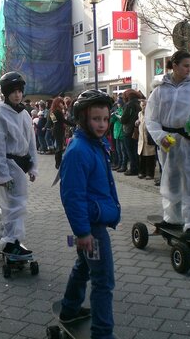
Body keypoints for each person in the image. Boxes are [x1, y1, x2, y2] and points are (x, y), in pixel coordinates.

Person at [58, 89, 120, 339]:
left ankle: (70, 310)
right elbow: (72, 196)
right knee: (103, 281)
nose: (102, 125)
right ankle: (102, 334)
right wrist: (82, 233)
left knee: (83, 268)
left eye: (105, 119)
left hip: (93, 223)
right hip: (92, 228)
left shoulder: (94, 144)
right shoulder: (79, 150)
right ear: (83, 118)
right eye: (96, 119)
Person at [145, 50, 190, 240]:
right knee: (170, 182)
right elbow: (151, 119)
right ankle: (172, 218)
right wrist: (160, 136)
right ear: (174, 65)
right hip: (169, 142)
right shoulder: (159, 91)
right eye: (185, 65)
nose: (189, 69)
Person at [0, 71, 38, 256]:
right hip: (9, 165)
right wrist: (1, 175)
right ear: (6, 93)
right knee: (15, 205)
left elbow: (31, 141)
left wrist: (33, 166)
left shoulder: (24, 113)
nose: (17, 94)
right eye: (13, 91)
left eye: (19, 91)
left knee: (11, 204)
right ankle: (11, 241)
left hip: (21, 164)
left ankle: (2, 234)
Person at [120, 89, 143, 176]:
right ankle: (139, 168)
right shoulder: (139, 103)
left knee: (130, 151)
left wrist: (121, 118)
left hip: (129, 130)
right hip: (137, 130)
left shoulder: (129, 105)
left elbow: (124, 119)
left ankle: (133, 169)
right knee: (136, 150)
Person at [49, 96, 75, 169]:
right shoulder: (57, 111)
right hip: (59, 130)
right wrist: (74, 124)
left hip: (56, 129)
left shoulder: (52, 111)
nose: (62, 104)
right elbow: (64, 121)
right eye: (61, 103)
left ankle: (58, 163)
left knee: (59, 146)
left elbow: (53, 121)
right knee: (59, 147)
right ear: (57, 103)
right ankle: (58, 163)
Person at [135, 99, 156, 180]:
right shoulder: (139, 113)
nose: (143, 107)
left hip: (148, 138)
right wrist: (137, 122)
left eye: (145, 105)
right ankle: (142, 172)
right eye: (142, 105)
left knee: (150, 158)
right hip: (141, 138)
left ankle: (150, 174)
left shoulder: (151, 114)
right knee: (142, 157)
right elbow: (140, 121)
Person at [110, 96, 127, 172]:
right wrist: (112, 115)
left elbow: (122, 120)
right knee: (118, 150)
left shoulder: (123, 110)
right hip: (116, 133)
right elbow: (111, 121)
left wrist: (117, 116)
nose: (118, 105)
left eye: (119, 103)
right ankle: (119, 164)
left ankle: (123, 166)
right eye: (117, 103)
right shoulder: (117, 110)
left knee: (123, 151)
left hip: (121, 133)